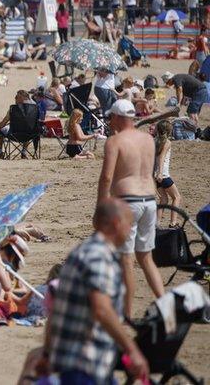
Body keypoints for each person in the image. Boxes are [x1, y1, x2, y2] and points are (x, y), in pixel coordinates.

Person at [37, 198, 149, 384]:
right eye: (129, 224)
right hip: (85, 364)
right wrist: (132, 350)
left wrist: (48, 353)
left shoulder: (80, 252)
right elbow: (102, 310)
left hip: (72, 360)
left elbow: (57, 311)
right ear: (116, 223)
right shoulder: (99, 257)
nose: (131, 230)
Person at [96, 99, 164, 319]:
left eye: (111, 117)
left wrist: (101, 208)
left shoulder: (115, 141)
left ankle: (126, 312)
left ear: (116, 117)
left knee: (127, 259)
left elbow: (106, 177)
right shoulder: (148, 139)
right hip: (150, 200)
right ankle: (165, 305)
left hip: (128, 202)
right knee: (146, 258)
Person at [152, 120, 182, 228]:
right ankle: (173, 223)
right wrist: (160, 173)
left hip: (155, 175)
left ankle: (156, 224)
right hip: (163, 175)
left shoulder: (154, 141)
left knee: (163, 199)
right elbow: (162, 157)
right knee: (177, 197)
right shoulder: (167, 142)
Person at [0, 90, 31, 158]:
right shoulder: (34, 109)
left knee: (0, 129)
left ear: (20, 98)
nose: (15, 98)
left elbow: (2, 124)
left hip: (14, 134)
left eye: (17, 97)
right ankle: (24, 152)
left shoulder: (13, 109)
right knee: (28, 128)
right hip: (30, 134)